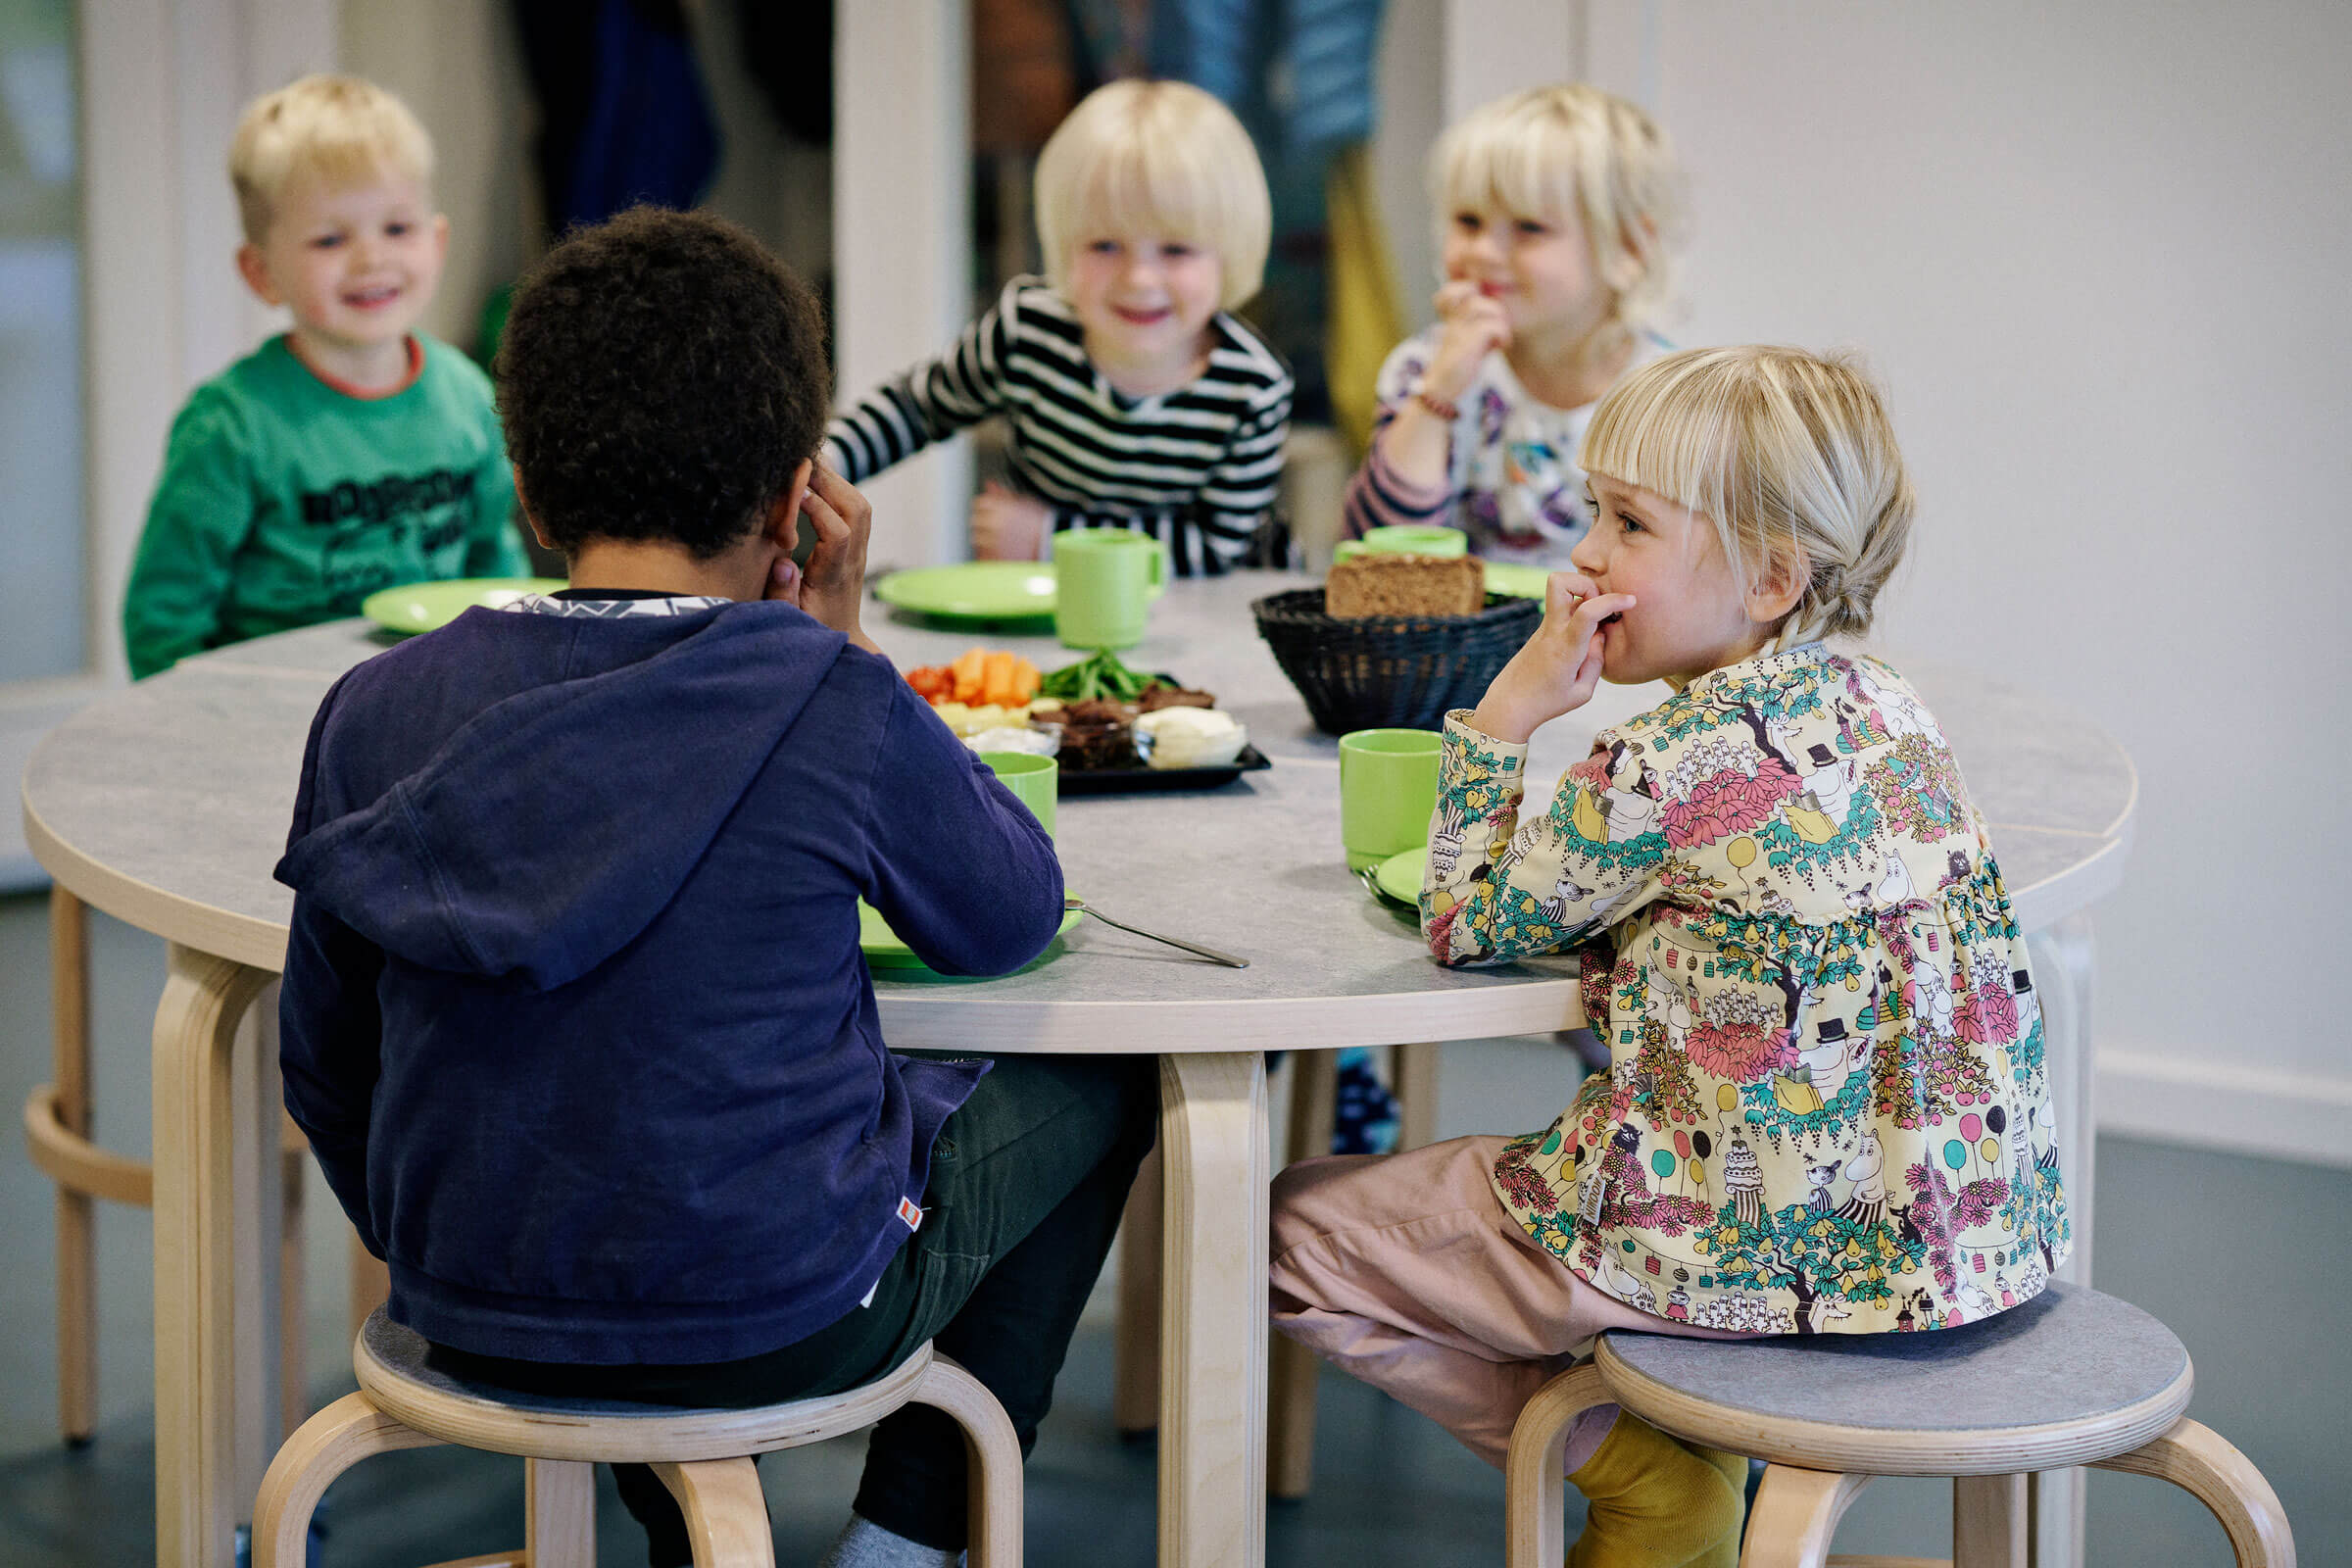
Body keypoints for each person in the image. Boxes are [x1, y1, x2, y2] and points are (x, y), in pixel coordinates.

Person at [273, 208, 1156, 1568]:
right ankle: (911, 1533)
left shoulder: (371, 706)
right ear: (791, 496)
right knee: (1118, 1070)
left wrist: (460, 1240)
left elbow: (326, 1063)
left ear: (526, 485)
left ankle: (682, 1524)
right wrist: (846, 647)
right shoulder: (822, 693)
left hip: (461, 1300)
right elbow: (1008, 916)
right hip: (776, 1315)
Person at [1272, 347, 2070, 1567]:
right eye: (1593, 510)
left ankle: (1637, 1466)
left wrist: (1510, 713)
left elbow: (1463, 917)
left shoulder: (1662, 762)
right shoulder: (1899, 709)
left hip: (1725, 1248)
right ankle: (1657, 1427)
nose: (1584, 553)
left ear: (1768, 577)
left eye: (1628, 521)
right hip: (1952, 1246)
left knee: (1284, 1231)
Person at [120, 74, 526, 680]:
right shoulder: (231, 426)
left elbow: (496, 567)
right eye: (330, 238)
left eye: (397, 228)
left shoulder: (467, 398)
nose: (371, 259)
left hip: (429, 703)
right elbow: (164, 616)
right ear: (262, 273)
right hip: (276, 719)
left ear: (436, 243)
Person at [825, 77, 1294, 577]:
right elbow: (916, 409)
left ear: (1232, 254)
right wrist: (815, 466)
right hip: (1047, 605)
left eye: (1176, 250)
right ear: (1064, 244)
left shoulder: (1253, 388)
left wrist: (1049, 537)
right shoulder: (1028, 331)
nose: (1138, 278)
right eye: (1105, 246)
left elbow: (1216, 550)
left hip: (1205, 615)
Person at [1341, 82, 1685, 566]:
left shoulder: (1673, 398)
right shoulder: (1423, 368)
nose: (1483, 252)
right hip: (1463, 637)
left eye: (1529, 228)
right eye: (1468, 221)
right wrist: (1440, 391)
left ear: (1629, 247)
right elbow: (1379, 555)